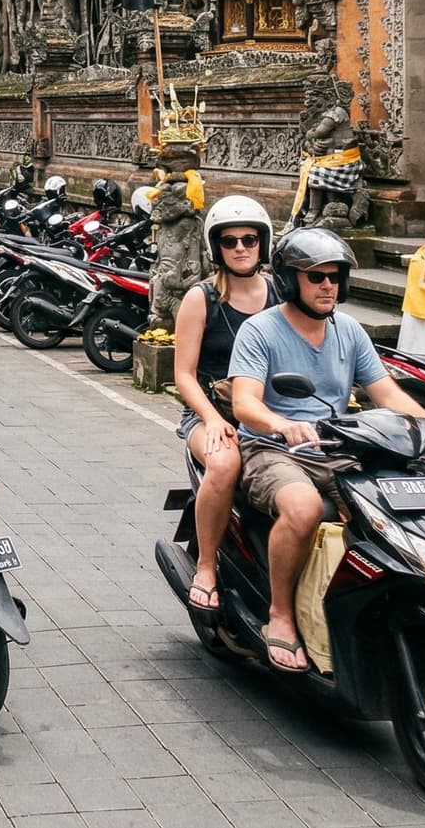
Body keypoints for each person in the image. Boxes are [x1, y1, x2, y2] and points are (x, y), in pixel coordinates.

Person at [228, 227, 425, 673]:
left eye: (334, 277)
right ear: (289, 281)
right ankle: (281, 614)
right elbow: (244, 403)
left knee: (388, 514)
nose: (327, 286)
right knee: (301, 508)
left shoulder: (349, 330)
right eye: (316, 277)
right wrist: (283, 425)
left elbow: (385, 392)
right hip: (272, 448)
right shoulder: (260, 330)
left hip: (338, 447)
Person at [172, 195, 279, 616]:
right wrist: (213, 419)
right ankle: (206, 565)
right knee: (224, 464)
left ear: (262, 244)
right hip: (210, 413)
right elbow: (183, 374)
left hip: (271, 413)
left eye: (249, 239)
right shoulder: (202, 299)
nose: (240, 248)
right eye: (229, 241)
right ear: (216, 247)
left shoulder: (281, 294)